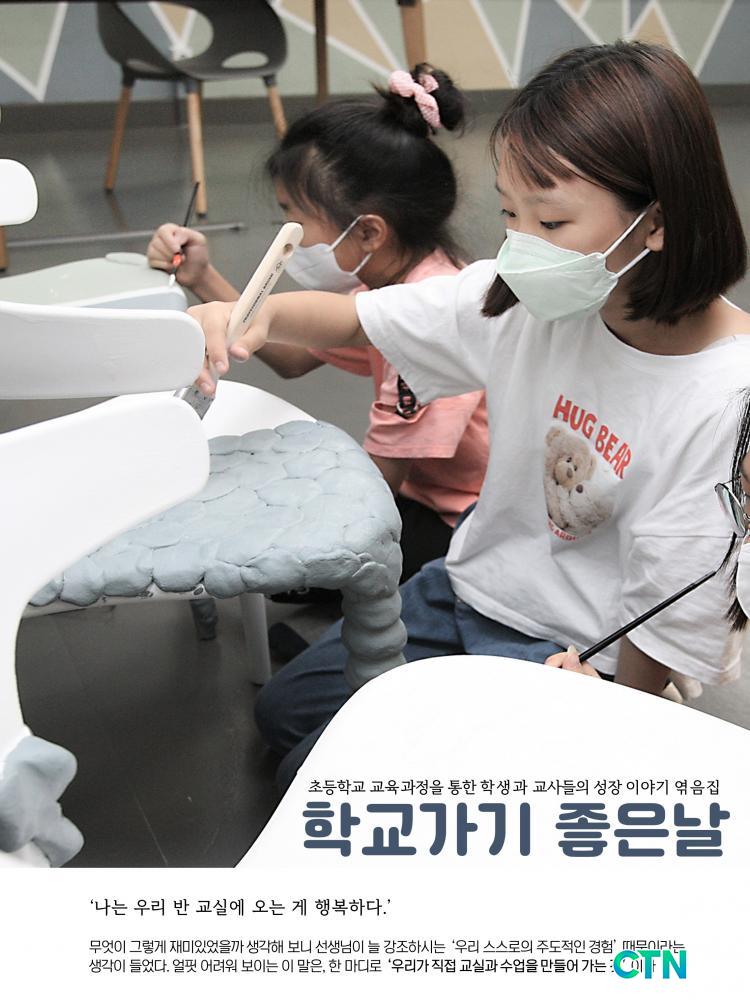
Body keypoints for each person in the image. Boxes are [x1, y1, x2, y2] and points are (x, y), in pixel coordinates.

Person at [189, 41, 750, 790]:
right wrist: (255, 314)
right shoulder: (531, 298)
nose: (522, 247)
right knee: (284, 716)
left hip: (576, 653)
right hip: (464, 589)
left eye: (552, 221)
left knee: (318, 776)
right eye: (511, 212)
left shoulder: (725, 397)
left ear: (656, 221)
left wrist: (619, 714)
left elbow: (674, 599)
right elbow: (359, 320)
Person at [147, 65, 488, 584]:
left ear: (368, 232)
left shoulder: (428, 317)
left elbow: (377, 489)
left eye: (294, 219)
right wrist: (202, 276)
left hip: (463, 517)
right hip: (420, 489)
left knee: (289, 558)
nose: (288, 236)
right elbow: (292, 357)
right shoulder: (387, 281)